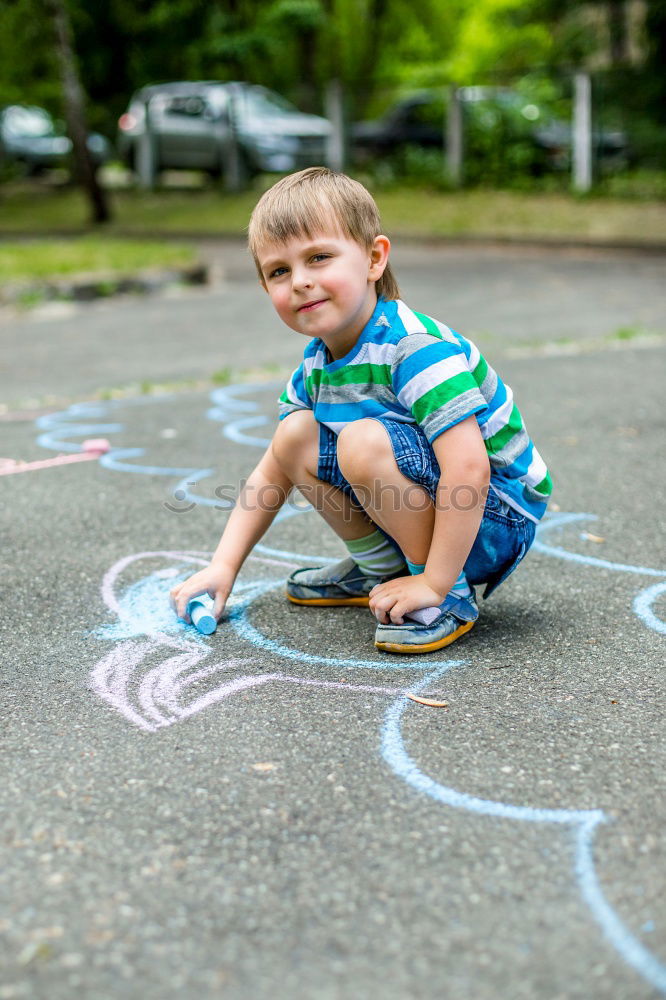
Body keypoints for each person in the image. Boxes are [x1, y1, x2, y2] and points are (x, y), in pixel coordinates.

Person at [170, 167, 552, 654]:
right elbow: (273, 471)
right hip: (446, 510)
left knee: (363, 441)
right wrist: (223, 565)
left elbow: (470, 469)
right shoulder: (316, 365)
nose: (301, 282)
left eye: (319, 257)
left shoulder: (414, 347)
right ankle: (383, 573)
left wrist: (436, 581)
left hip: (495, 518)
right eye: (279, 271)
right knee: (294, 436)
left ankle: (444, 595)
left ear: (374, 259)